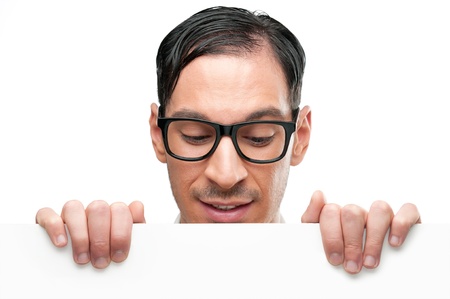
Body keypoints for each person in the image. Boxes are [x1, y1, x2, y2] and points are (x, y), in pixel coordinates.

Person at [35, 6, 420, 274]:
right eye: (195, 135)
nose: (225, 174)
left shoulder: (366, 273)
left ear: (299, 137)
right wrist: (59, 270)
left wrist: (398, 270)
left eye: (257, 137)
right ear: (158, 134)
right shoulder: (85, 273)